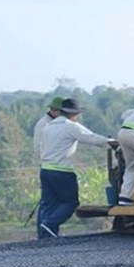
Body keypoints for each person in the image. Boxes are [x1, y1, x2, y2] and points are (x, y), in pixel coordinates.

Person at [38, 98, 117, 238]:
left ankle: (46, 235)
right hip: (62, 170)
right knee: (71, 202)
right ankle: (50, 224)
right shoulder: (70, 126)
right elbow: (91, 138)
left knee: (49, 203)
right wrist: (112, 142)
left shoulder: (47, 127)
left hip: (45, 170)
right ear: (74, 113)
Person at [32, 96, 63, 239]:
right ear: (54, 110)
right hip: (49, 165)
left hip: (52, 165)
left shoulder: (56, 123)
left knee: (51, 201)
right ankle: (44, 233)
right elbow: (38, 148)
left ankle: (48, 232)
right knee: (48, 202)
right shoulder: (43, 125)